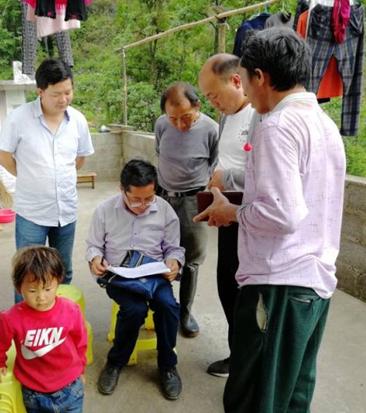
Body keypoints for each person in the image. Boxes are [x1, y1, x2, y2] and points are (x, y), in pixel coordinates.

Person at [194, 28, 346, 413]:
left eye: (244, 79)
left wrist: (232, 211)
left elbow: (283, 213)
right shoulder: (325, 125)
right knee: (292, 392)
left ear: (258, 77)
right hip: (313, 282)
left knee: (254, 395)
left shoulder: (276, 127)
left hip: (278, 285)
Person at [0, 58, 94, 303]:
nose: (64, 99)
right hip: (32, 213)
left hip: (66, 212)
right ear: (40, 92)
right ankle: (27, 334)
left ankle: (57, 328)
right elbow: (3, 156)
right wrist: (30, 176)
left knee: (63, 272)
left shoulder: (78, 121)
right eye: (56, 94)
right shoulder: (19, 118)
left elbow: (79, 159)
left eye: (68, 92)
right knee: (28, 274)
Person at [86, 159, 184, 400]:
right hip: (119, 276)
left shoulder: (164, 210)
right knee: (133, 309)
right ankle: (115, 362)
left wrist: (174, 263)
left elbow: (174, 248)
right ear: (122, 189)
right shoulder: (104, 210)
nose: (143, 205)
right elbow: (93, 246)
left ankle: (167, 366)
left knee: (168, 306)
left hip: (153, 276)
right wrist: (95, 259)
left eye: (149, 198)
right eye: (136, 199)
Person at [198, 53, 256, 378]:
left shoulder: (259, 117)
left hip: (249, 219)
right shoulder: (227, 116)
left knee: (246, 296)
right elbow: (224, 158)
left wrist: (226, 177)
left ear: (237, 81)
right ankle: (238, 355)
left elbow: (266, 176)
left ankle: (248, 364)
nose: (213, 104)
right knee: (226, 287)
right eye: (208, 98)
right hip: (227, 215)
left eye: (214, 96)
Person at [0, 246, 87, 413]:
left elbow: (80, 342)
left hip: (71, 387)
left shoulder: (71, 310)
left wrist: (81, 369)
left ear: (58, 282)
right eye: (32, 290)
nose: (41, 297)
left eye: (48, 289)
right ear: (19, 288)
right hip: (34, 392)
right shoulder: (10, 318)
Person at [154, 82, 219, 338]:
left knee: (191, 259)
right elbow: (159, 153)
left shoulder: (211, 129)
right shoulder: (161, 125)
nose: (180, 125)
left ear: (198, 106)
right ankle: (162, 307)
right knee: (159, 253)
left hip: (195, 200)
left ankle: (185, 313)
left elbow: (215, 166)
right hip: (163, 198)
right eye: (173, 119)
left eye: (186, 117)